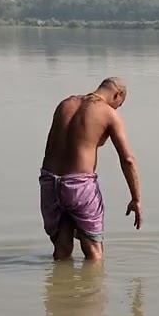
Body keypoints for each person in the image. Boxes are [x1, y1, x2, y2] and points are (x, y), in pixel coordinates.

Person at [39, 76, 141, 261]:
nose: (117, 108)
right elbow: (127, 159)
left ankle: (60, 289)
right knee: (94, 254)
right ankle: (91, 290)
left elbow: (49, 147)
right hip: (79, 185)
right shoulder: (107, 113)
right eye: (119, 104)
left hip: (49, 182)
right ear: (118, 94)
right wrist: (136, 198)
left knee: (61, 252)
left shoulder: (65, 105)